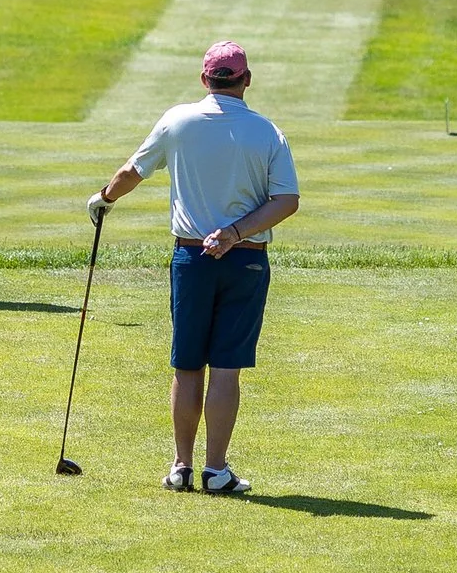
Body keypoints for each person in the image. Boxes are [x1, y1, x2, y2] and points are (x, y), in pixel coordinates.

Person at [88, 41, 299, 495]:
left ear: (205, 79)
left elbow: (131, 172)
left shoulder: (178, 120)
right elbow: (286, 200)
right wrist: (236, 233)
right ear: (246, 80)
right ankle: (215, 471)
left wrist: (104, 198)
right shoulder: (267, 132)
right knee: (225, 368)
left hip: (190, 261)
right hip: (246, 261)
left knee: (187, 366)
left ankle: (181, 468)